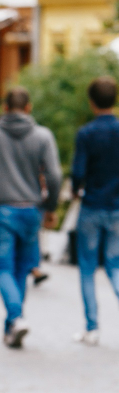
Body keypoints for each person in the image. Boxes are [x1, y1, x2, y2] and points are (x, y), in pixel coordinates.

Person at [0, 87, 61, 348]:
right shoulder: (43, 136)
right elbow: (54, 175)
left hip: (2, 210)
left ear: (5, 108)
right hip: (31, 210)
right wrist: (50, 207)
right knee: (21, 268)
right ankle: (13, 324)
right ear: (28, 107)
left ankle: (16, 317)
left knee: (5, 268)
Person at [71, 76, 119, 345]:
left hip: (92, 205)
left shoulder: (87, 133)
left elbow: (79, 171)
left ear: (91, 103)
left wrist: (76, 189)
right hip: (117, 207)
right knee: (116, 265)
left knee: (87, 268)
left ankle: (92, 328)